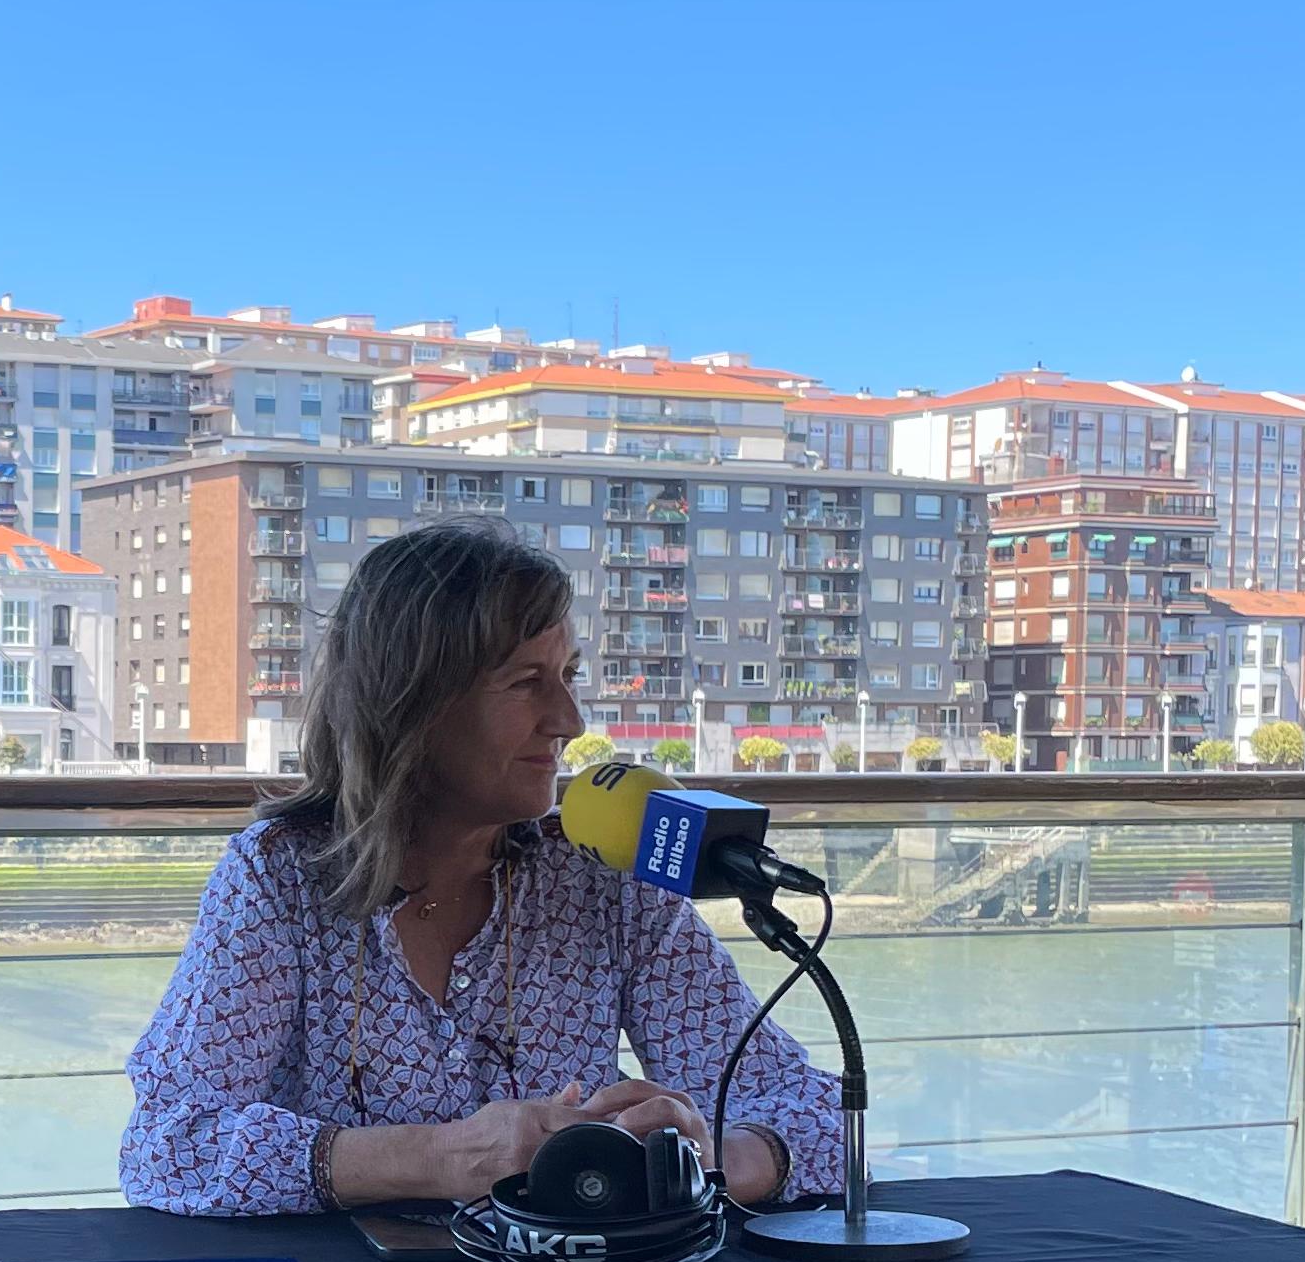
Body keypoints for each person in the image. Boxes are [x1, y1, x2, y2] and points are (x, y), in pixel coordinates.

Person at [118, 521, 841, 1216]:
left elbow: (822, 1118)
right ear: (414, 704)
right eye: (528, 682)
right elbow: (167, 1147)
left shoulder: (602, 877)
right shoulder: (279, 876)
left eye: (568, 676)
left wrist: (712, 1158)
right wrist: (441, 1158)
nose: (569, 720)